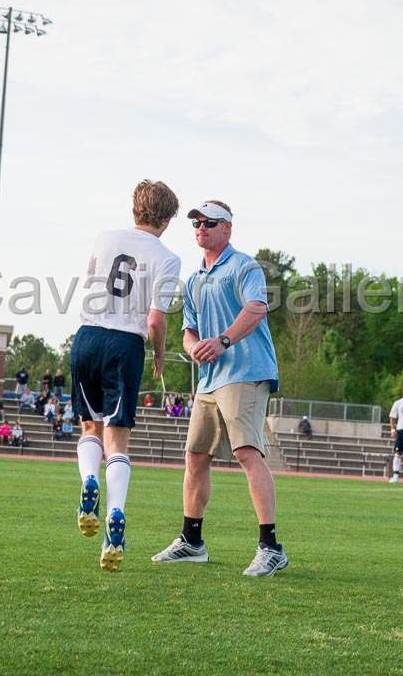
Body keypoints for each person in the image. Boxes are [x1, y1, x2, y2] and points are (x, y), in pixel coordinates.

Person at [152, 199, 286, 578]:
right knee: (195, 456)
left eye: (210, 223)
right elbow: (188, 332)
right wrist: (194, 346)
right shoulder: (194, 280)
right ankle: (192, 541)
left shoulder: (244, 266)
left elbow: (257, 308)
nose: (201, 228)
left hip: (245, 371)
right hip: (211, 380)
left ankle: (271, 546)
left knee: (246, 452)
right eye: (196, 223)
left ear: (227, 228)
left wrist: (224, 341)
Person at [71, 180, 182, 572]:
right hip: (125, 343)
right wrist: (159, 353)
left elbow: (90, 283)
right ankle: (115, 514)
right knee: (118, 438)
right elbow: (155, 318)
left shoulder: (103, 238)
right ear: (167, 219)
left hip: (87, 336)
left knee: (90, 426)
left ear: (134, 208)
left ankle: (89, 480)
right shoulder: (168, 258)